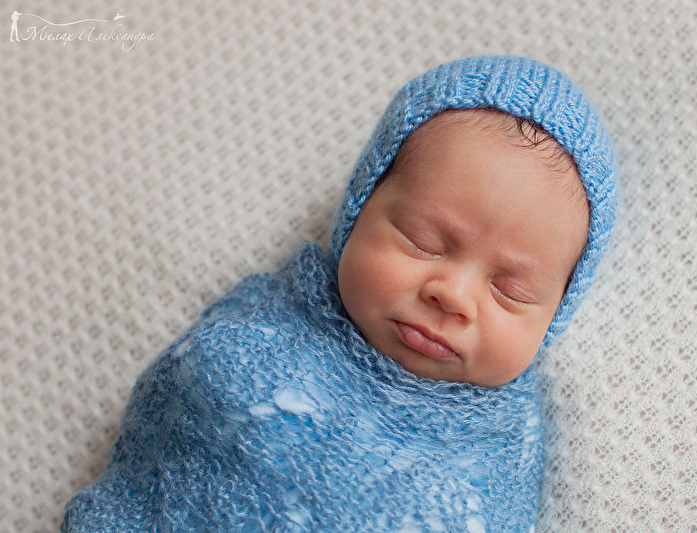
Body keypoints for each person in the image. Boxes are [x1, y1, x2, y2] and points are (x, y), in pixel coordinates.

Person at [62, 55, 616, 532]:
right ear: (357, 210)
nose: (452, 294)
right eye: (423, 241)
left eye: (509, 290)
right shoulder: (270, 322)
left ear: (554, 316)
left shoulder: (498, 452)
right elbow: (187, 396)